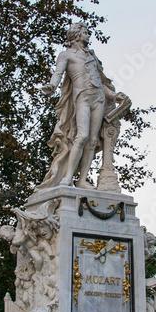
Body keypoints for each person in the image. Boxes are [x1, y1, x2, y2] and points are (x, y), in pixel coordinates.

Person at [38, 22, 124, 189]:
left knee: (92, 139)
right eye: (85, 32)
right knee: (82, 136)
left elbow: (100, 82)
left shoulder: (91, 56)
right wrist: (52, 86)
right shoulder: (66, 55)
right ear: (76, 35)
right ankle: (68, 177)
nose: (88, 35)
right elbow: (58, 73)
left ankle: (82, 180)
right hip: (82, 97)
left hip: (98, 98)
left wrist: (113, 96)